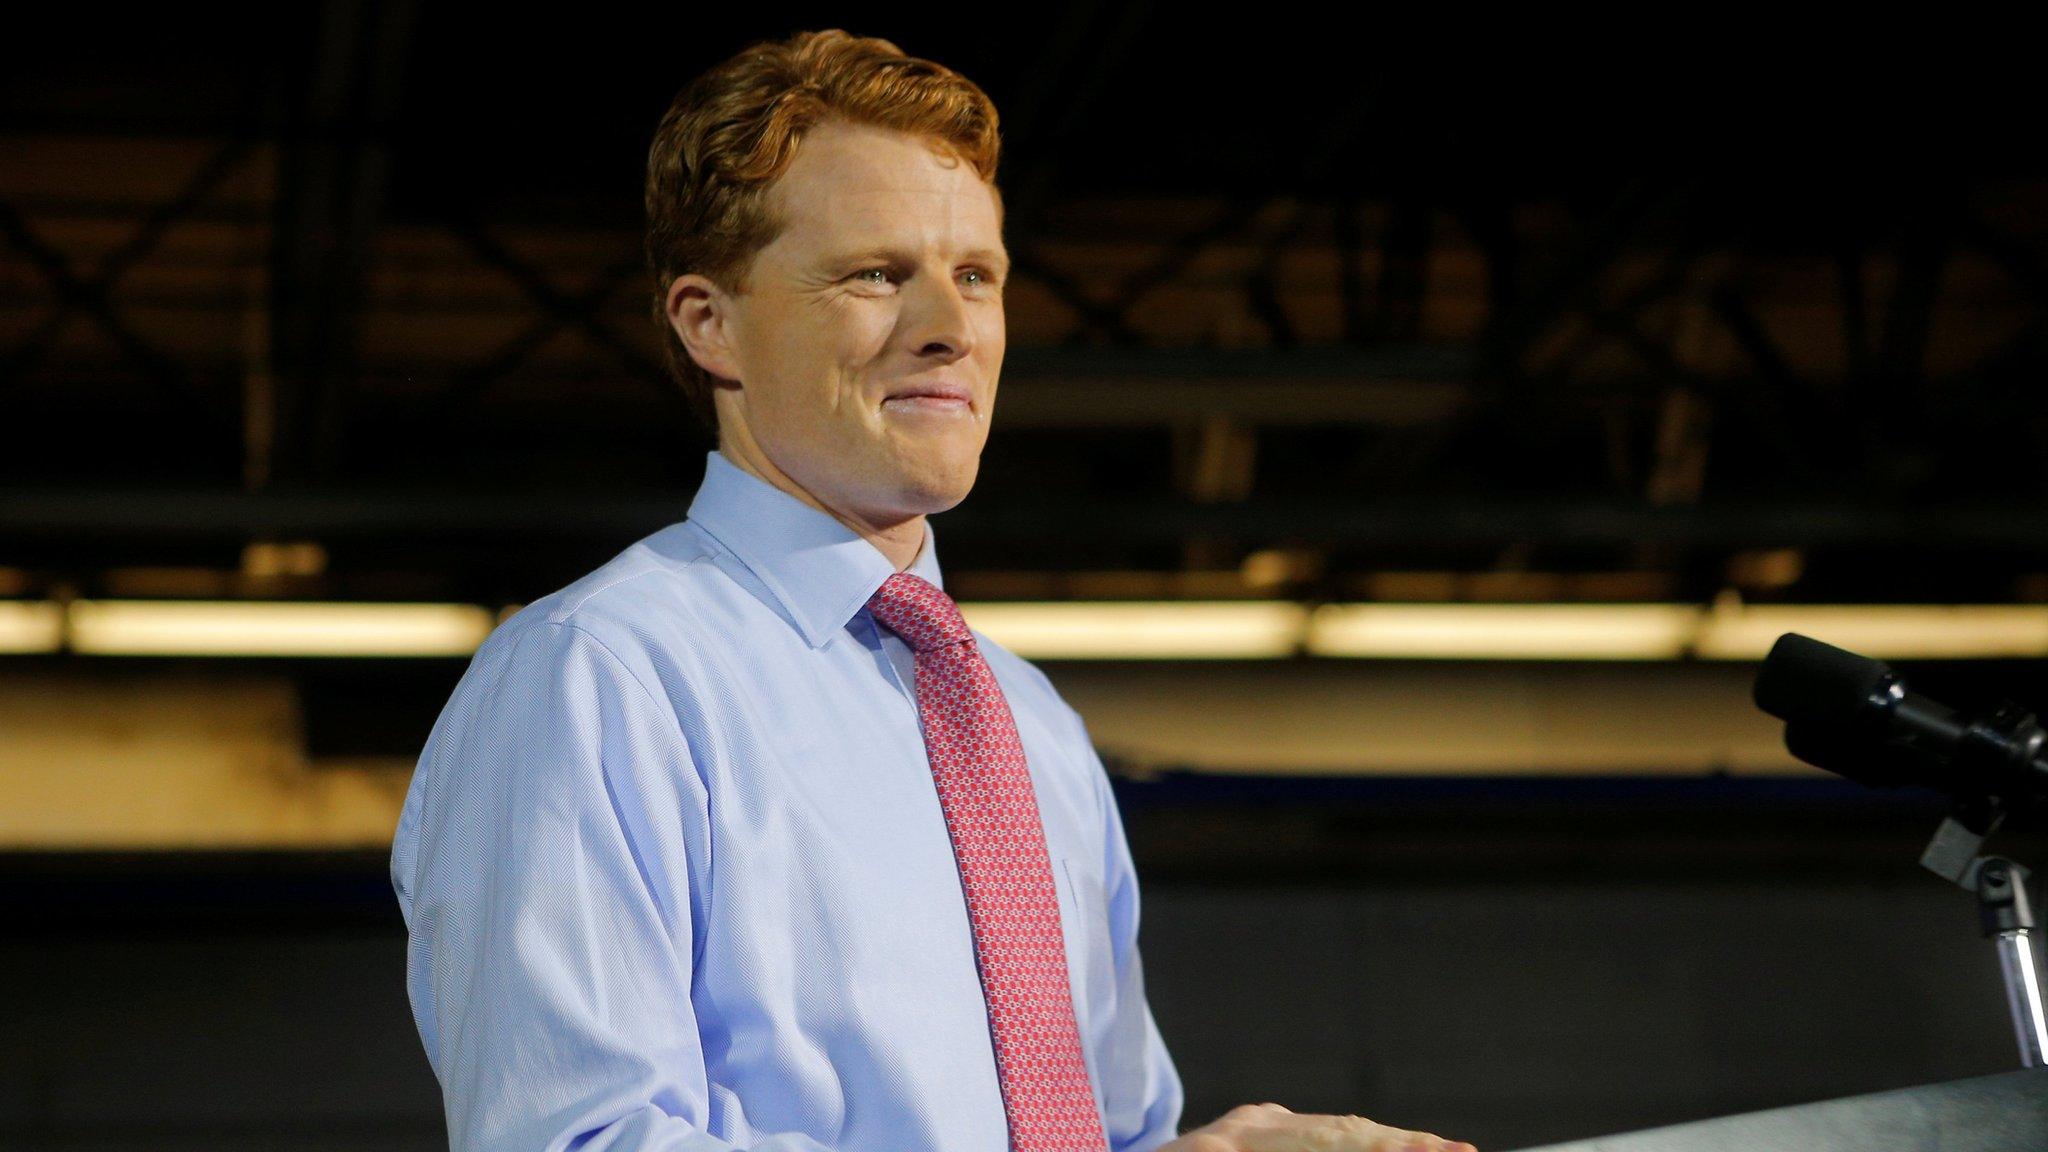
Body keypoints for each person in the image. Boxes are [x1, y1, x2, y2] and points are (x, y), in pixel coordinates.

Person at [389, 28, 1476, 1152]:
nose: (951, 329)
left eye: (975, 277)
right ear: (710, 325)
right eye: (874, 274)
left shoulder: (1028, 722)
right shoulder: (597, 681)